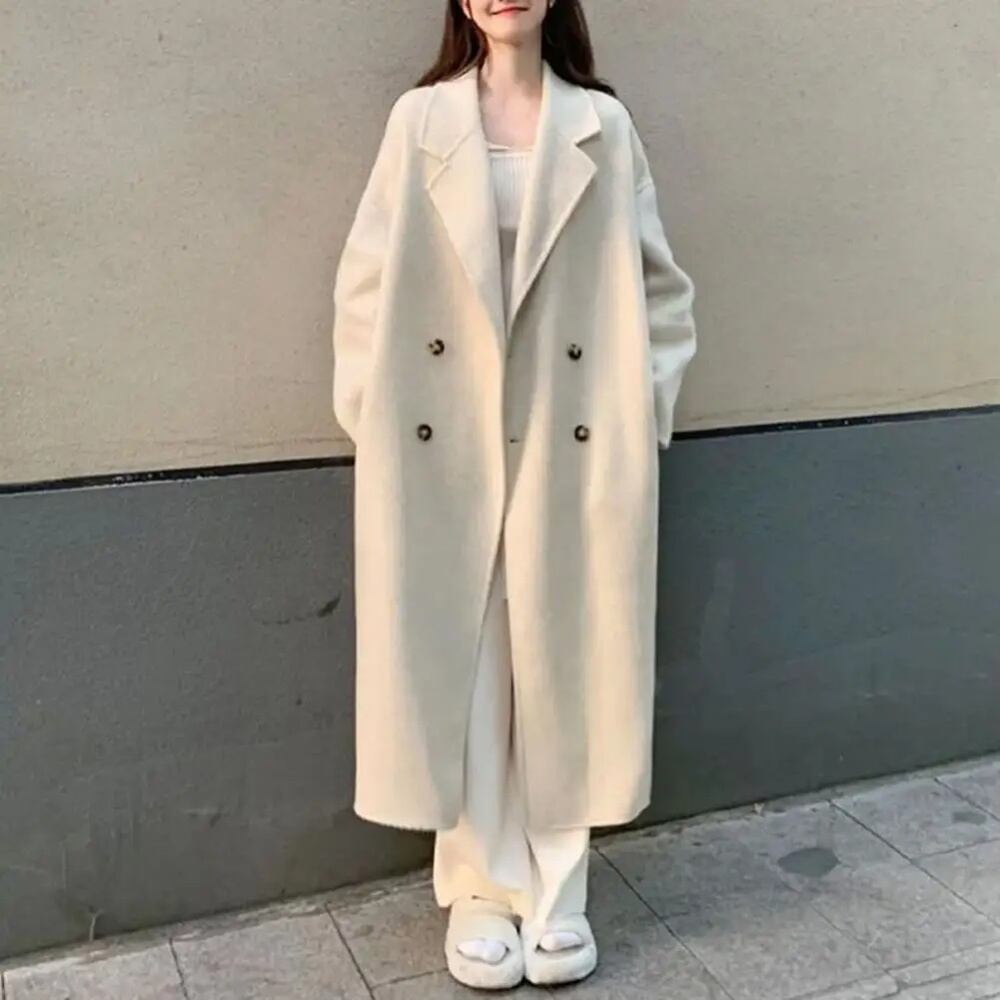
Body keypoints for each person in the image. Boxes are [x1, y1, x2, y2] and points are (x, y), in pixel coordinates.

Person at [331, 0, 697, 989]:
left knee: (564, 656)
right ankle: (481, 889)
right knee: (467, 661)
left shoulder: (601, 125)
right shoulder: (422, 121)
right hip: (443, 437)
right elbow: (365, 281)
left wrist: (638, 421)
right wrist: (373, 416)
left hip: (569, 437)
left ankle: (560, 887)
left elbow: (660, 288)